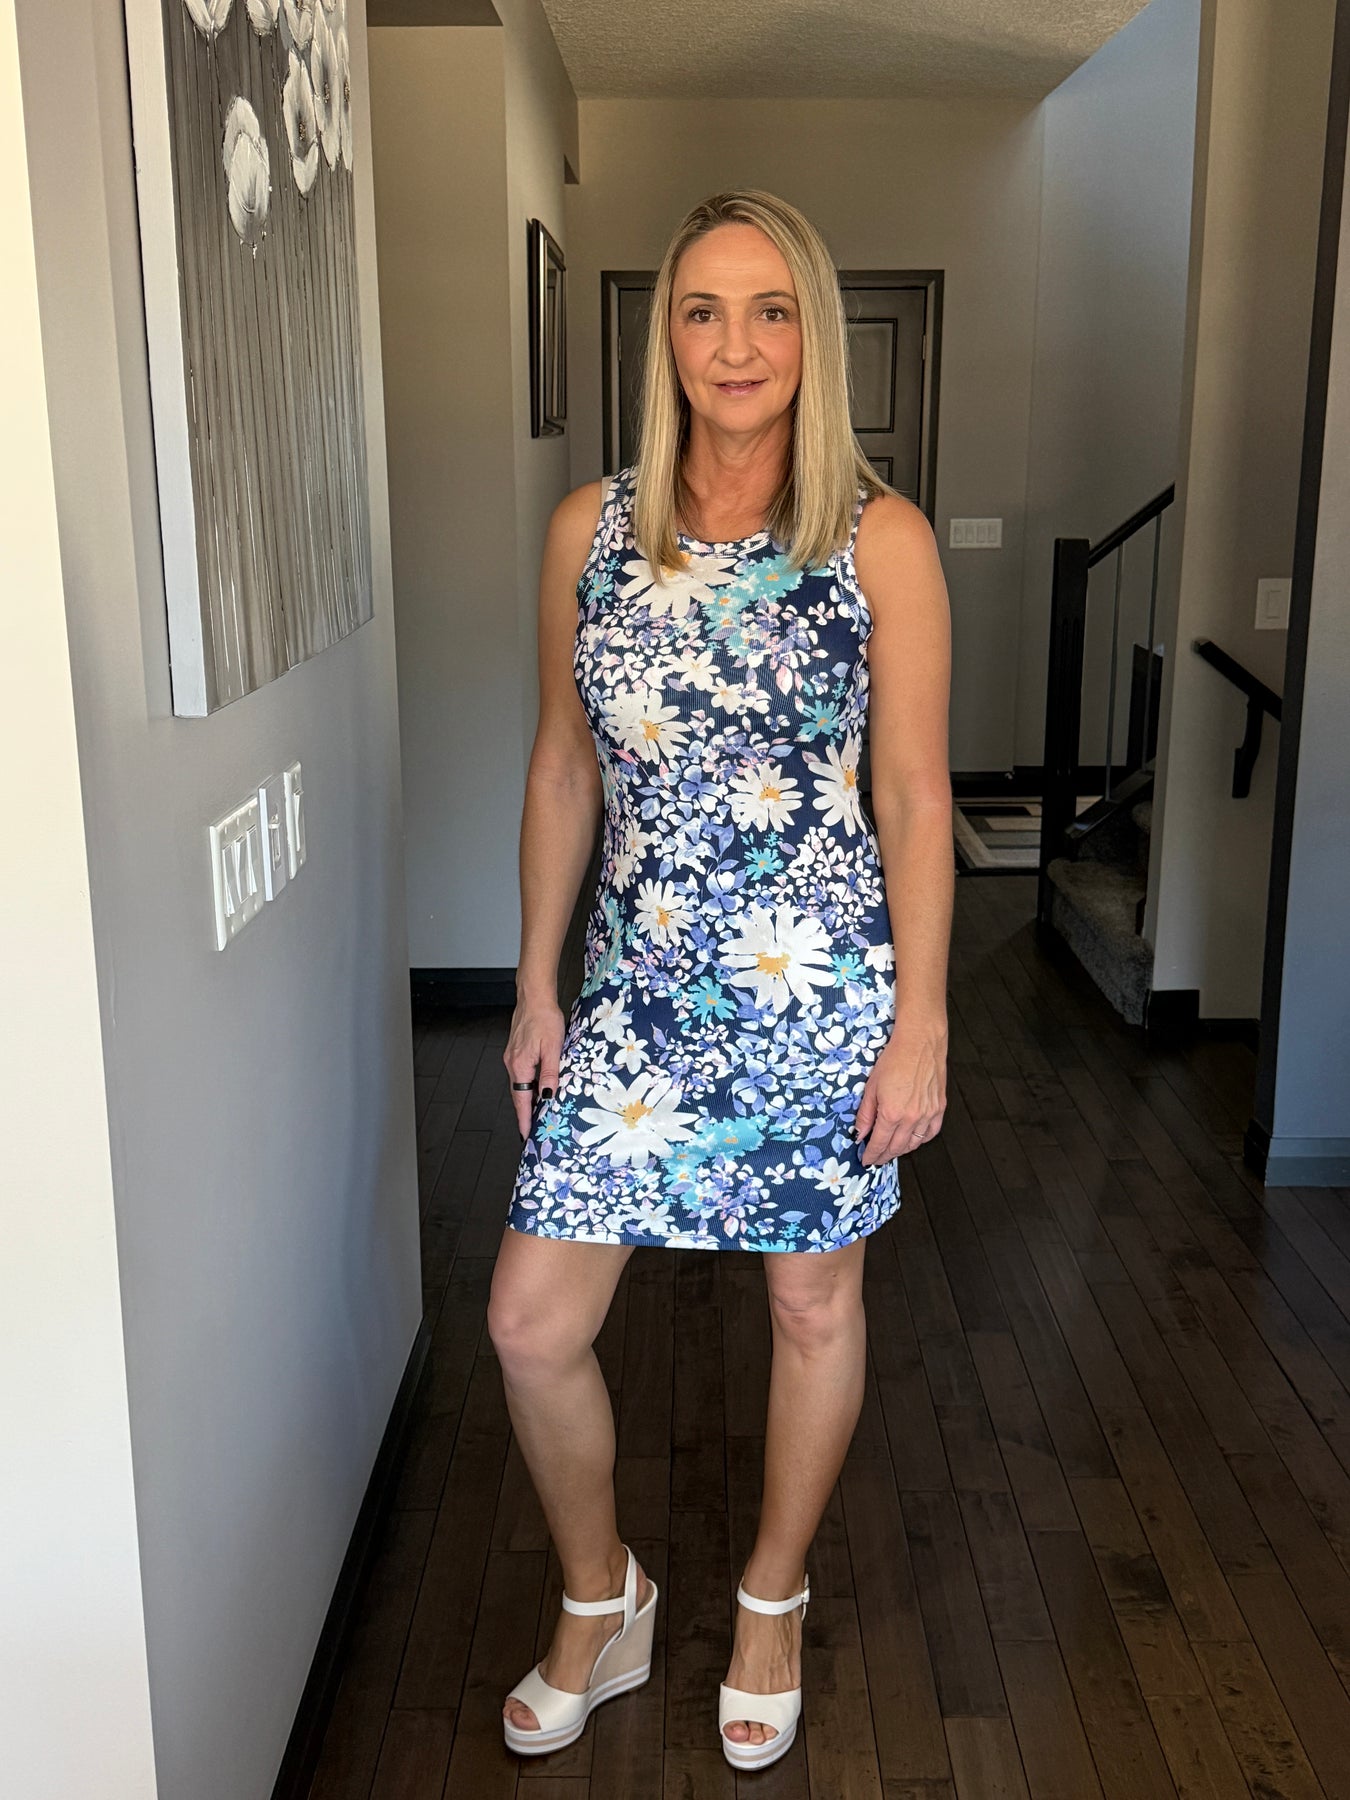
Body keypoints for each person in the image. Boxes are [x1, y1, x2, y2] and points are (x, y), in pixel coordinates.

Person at [490, 189, 953, 1769]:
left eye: (769, 311)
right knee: (528, 1323)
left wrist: (921, 1020)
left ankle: (771, 1596)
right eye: (702, 310)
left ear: (811, 334)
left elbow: (914, 796)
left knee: (811, 1306)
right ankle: (599, 1596)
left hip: (813, 989)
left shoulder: (878, 539)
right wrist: (536, 982)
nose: (735, 345)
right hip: (631, 990)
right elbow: (563, 768)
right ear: (665, 337)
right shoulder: (591, 530)